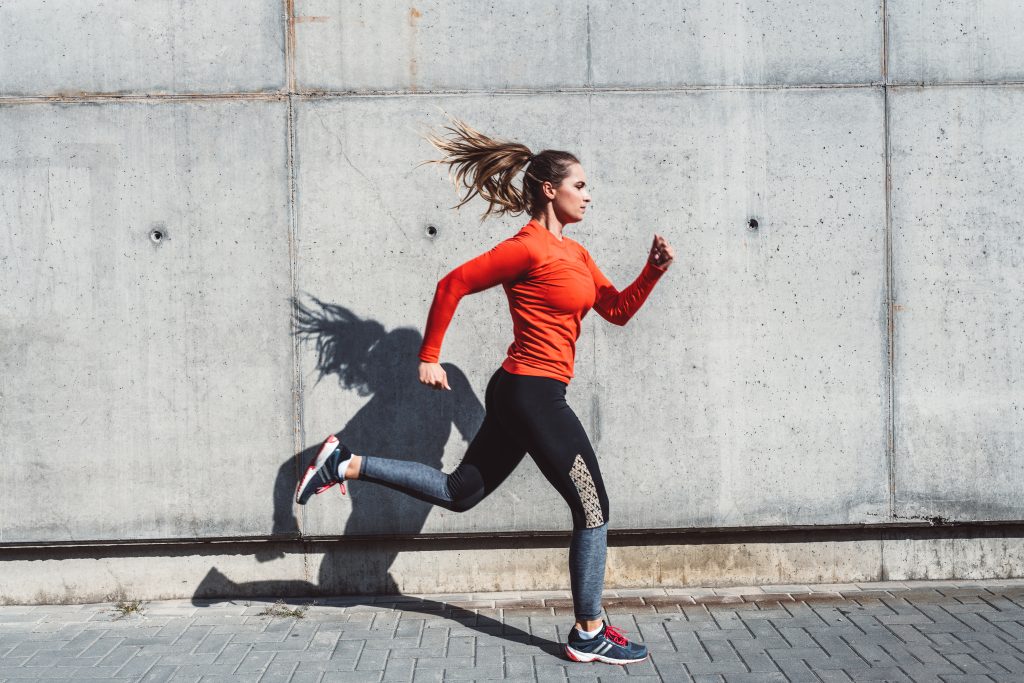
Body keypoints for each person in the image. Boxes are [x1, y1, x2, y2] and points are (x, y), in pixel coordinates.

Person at [296, 118, 675, 665]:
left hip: (525, 393)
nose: (589, 195)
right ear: (551, 189)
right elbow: (452, 284)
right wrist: (429, 357)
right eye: (581, 185)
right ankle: (589, 630)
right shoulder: (527, 248)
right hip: (532, 393)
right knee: (593, 507)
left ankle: (345, 464)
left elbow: (615, 311)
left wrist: (653, 270)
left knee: (460, 492)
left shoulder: (579, 255)